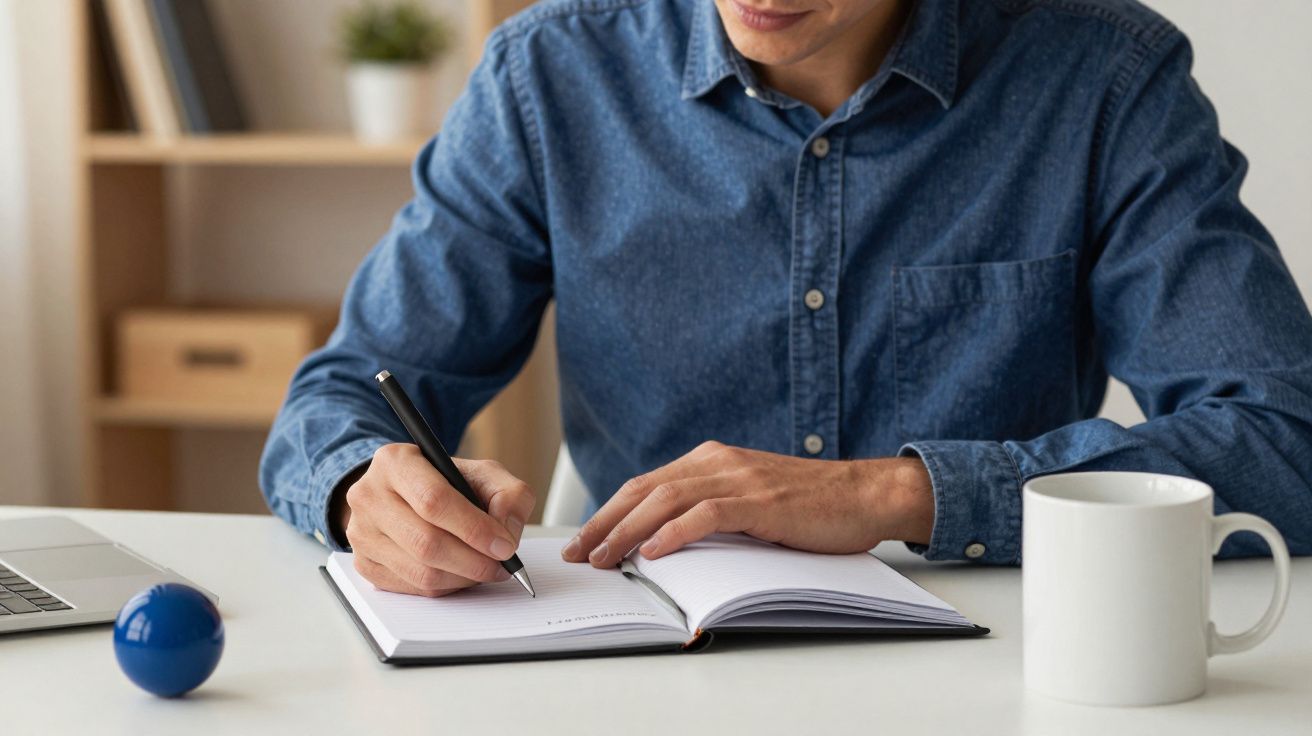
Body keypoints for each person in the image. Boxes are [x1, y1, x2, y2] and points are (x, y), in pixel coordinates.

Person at [260, 0, 1312, 597]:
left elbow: (1284, 438)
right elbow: (348, 391)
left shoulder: (1101, 80)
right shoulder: (550, 76)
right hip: (645, 675)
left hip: (1002, 675)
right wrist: (363, 488)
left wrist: (897, 495)